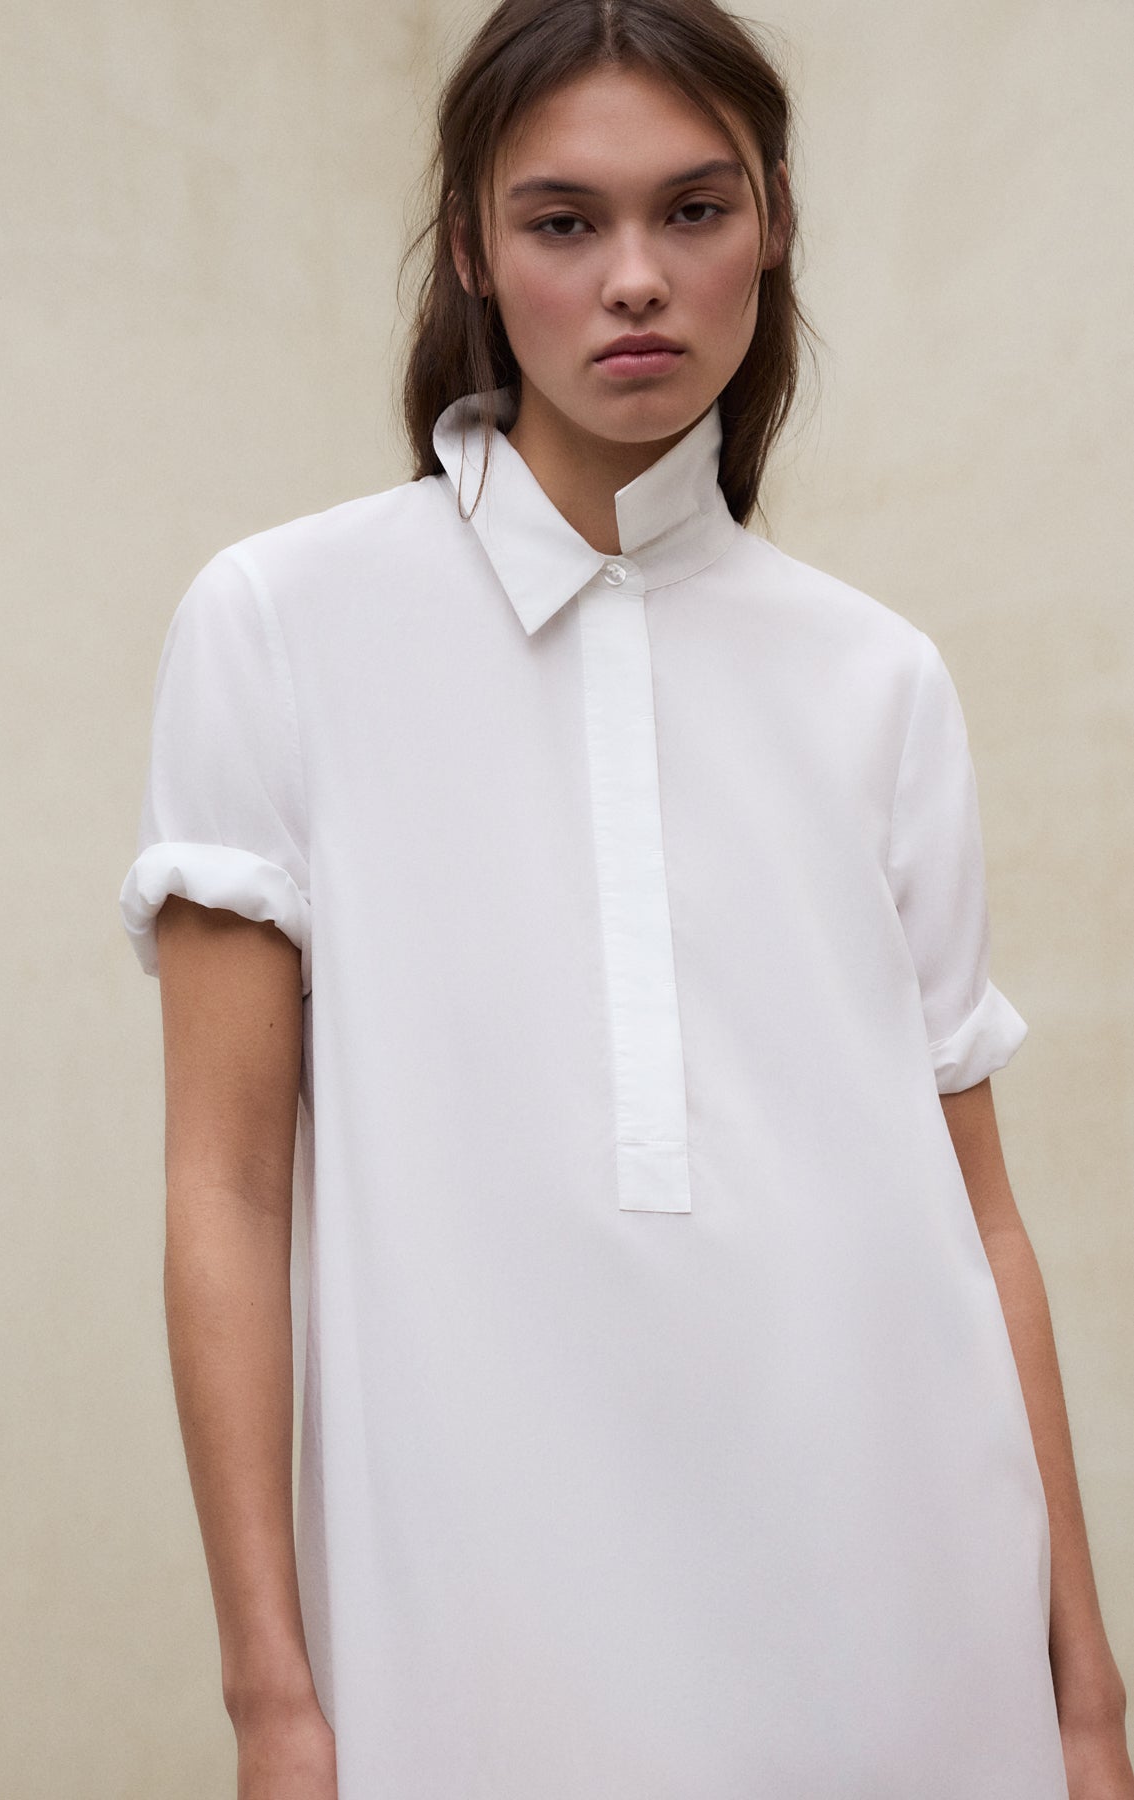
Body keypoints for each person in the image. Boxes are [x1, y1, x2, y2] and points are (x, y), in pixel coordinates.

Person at [118, 2, 1132, 1796]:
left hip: (900, 1612)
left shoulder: (875, 678)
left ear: (774, 220)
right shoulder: (282, 624)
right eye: (562, 220)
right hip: (485, 1626)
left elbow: (978, 1219)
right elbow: (228, 1187)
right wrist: (270, 1699)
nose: (636, 277)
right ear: (470, 249)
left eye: (694, 208)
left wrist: (1083, 1697)